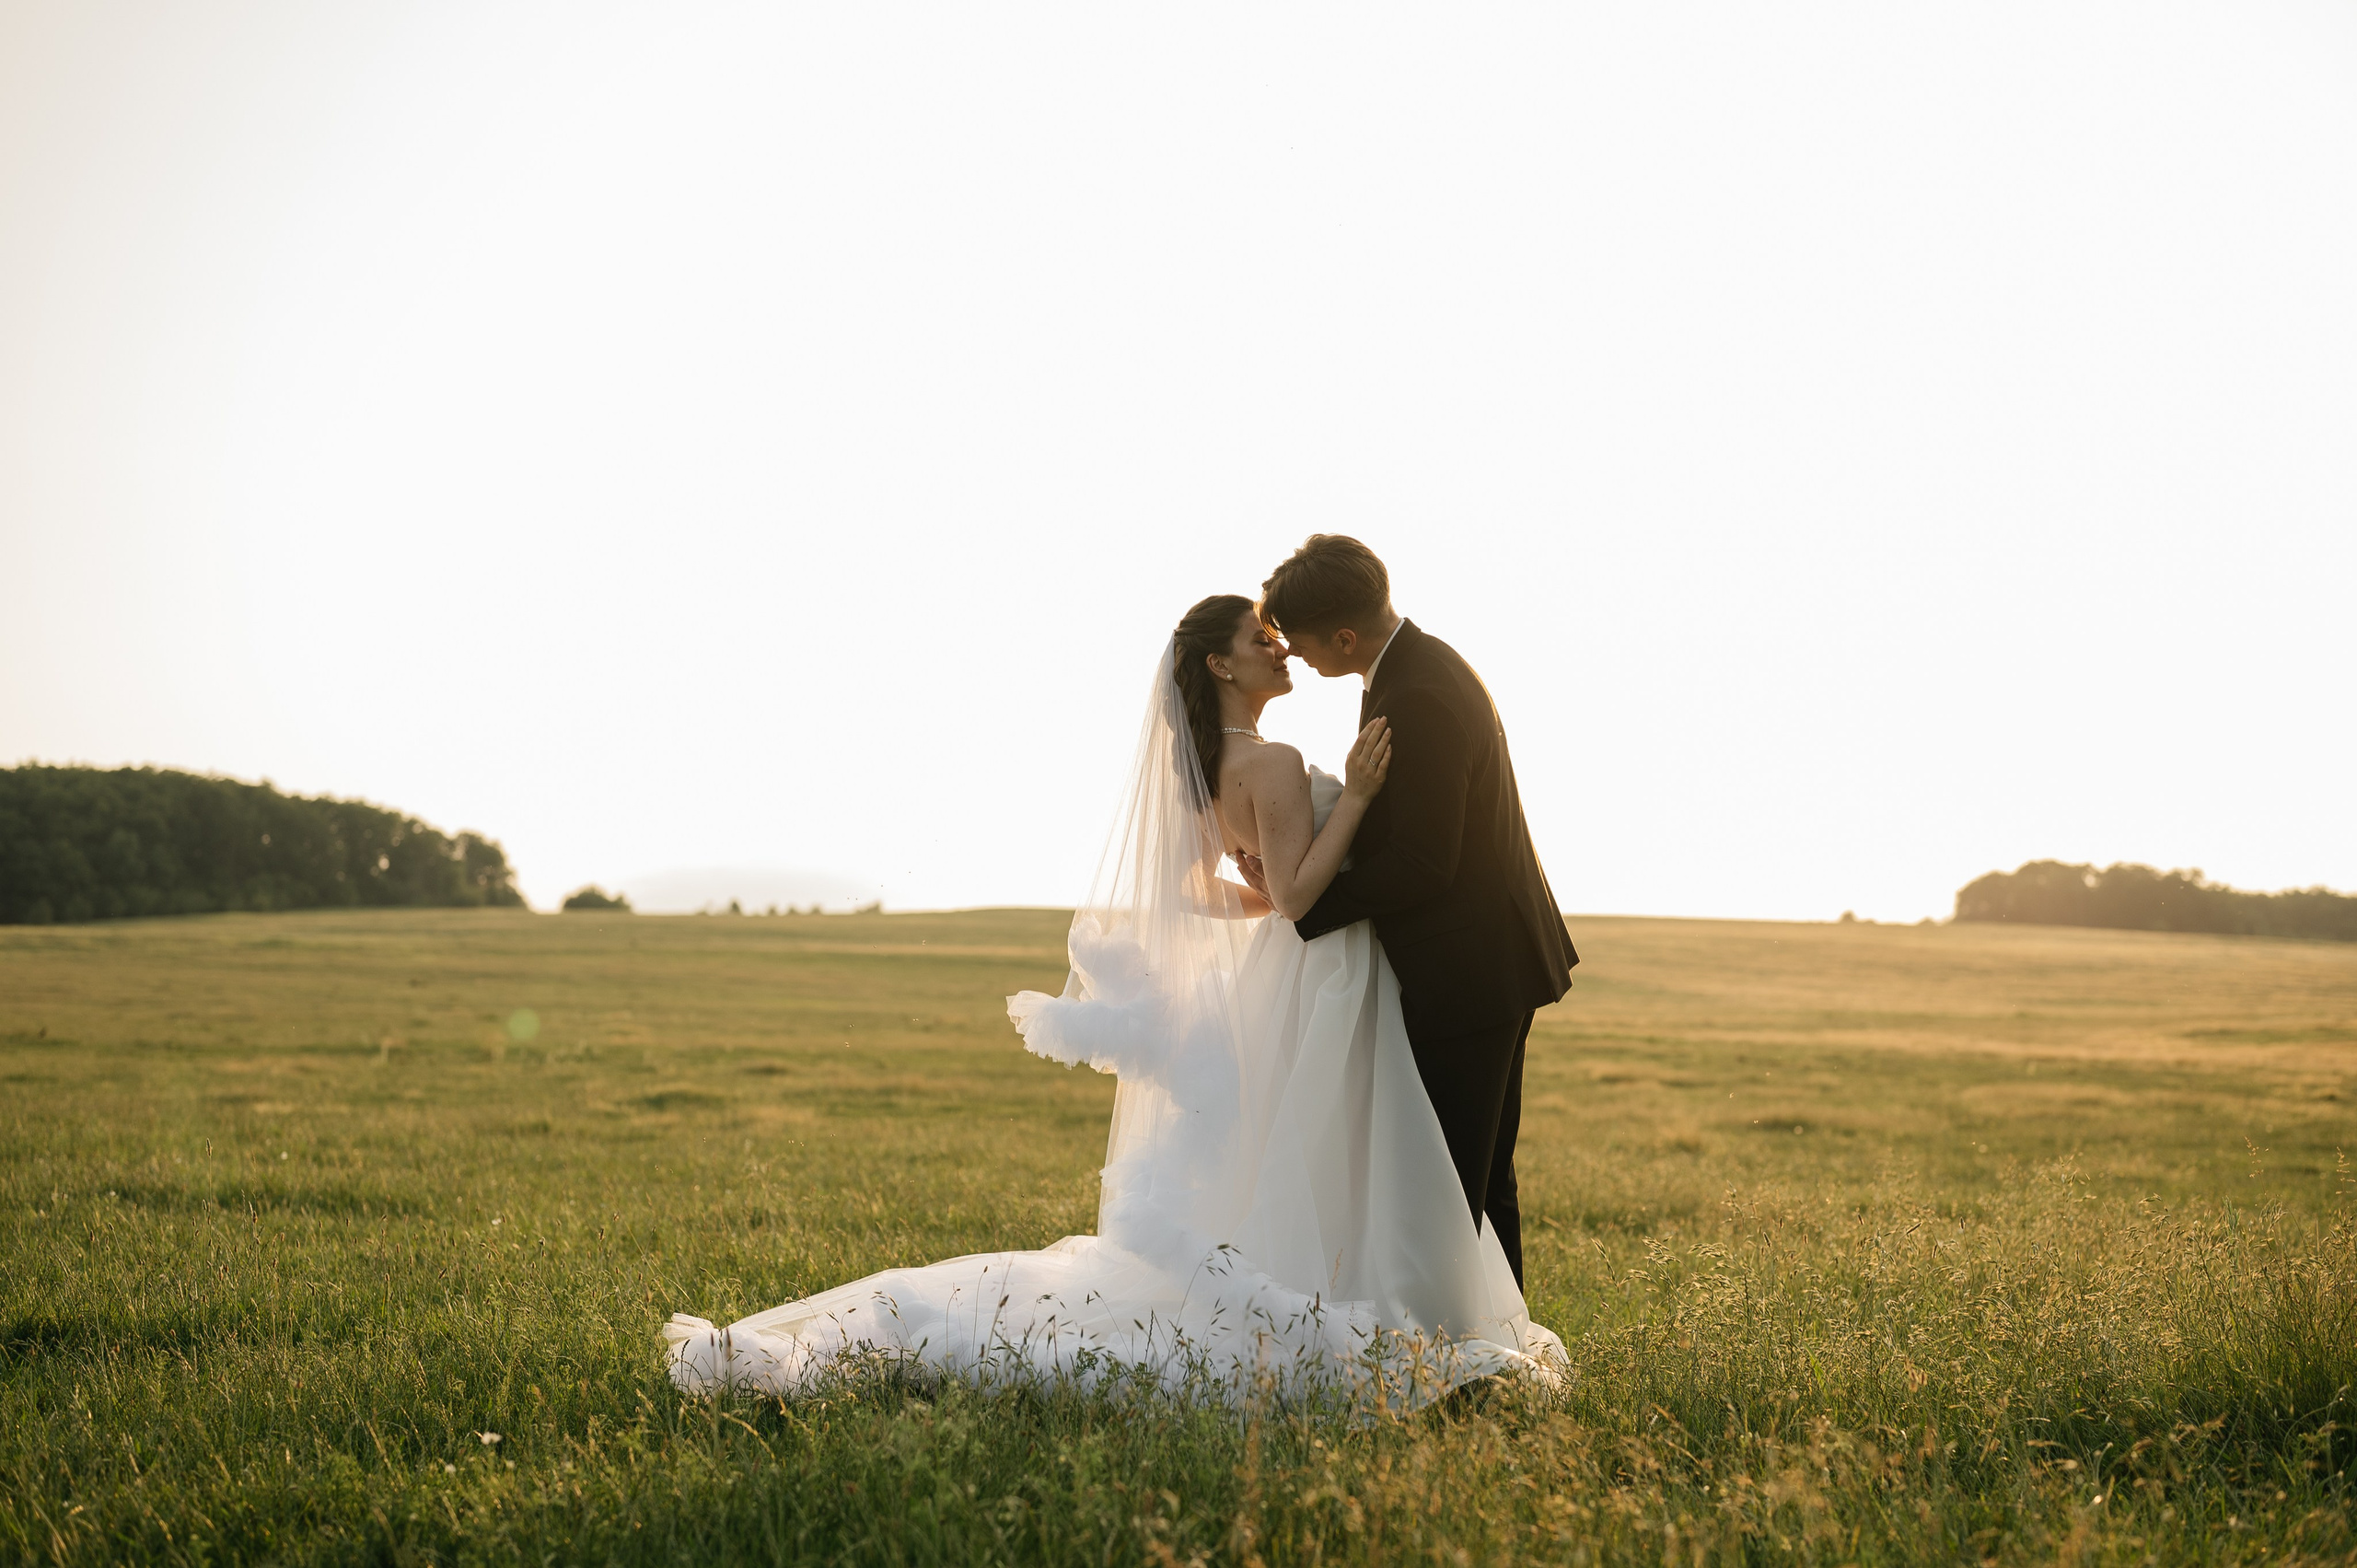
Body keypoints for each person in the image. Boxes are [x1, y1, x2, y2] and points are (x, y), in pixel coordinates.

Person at [666, 588, 1562, 1407]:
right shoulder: (1276, 758)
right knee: (1351, 1141)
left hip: (1289, 971)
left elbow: (1193, 886)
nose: (1280, 648)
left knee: (1315, 1147)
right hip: (1324, 968)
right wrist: (1357, 802)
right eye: (1262, 639)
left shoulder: (1207, 769)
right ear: (1220, 663)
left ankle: (1384, 1294)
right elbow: (1300, 900)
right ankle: (1412, 1312)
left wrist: (1257, 890)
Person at [1251, 536, 1577, 1292]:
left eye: (1298, 645)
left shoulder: (1418, 693)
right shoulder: (1407, 670)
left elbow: (1428, 860)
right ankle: (1492, 1346)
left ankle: (1469, 1359)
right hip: (1485, 958)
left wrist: (1307, 906)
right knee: (1479, 1173)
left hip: (1470, 970)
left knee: (1457, 1175)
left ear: (1342, 637)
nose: (1292, 657)